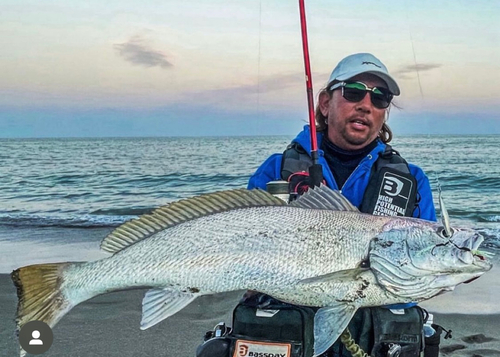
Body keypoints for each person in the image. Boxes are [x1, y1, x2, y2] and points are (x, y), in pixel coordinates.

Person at [244, 53, 438, 357]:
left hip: (374, 334)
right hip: (292, 327)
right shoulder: (277, 170)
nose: (366, 104)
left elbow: (421, 271)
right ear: (324, 103)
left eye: (380, 98)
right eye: (353, 91)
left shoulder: (412, 180)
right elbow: (243, 246)